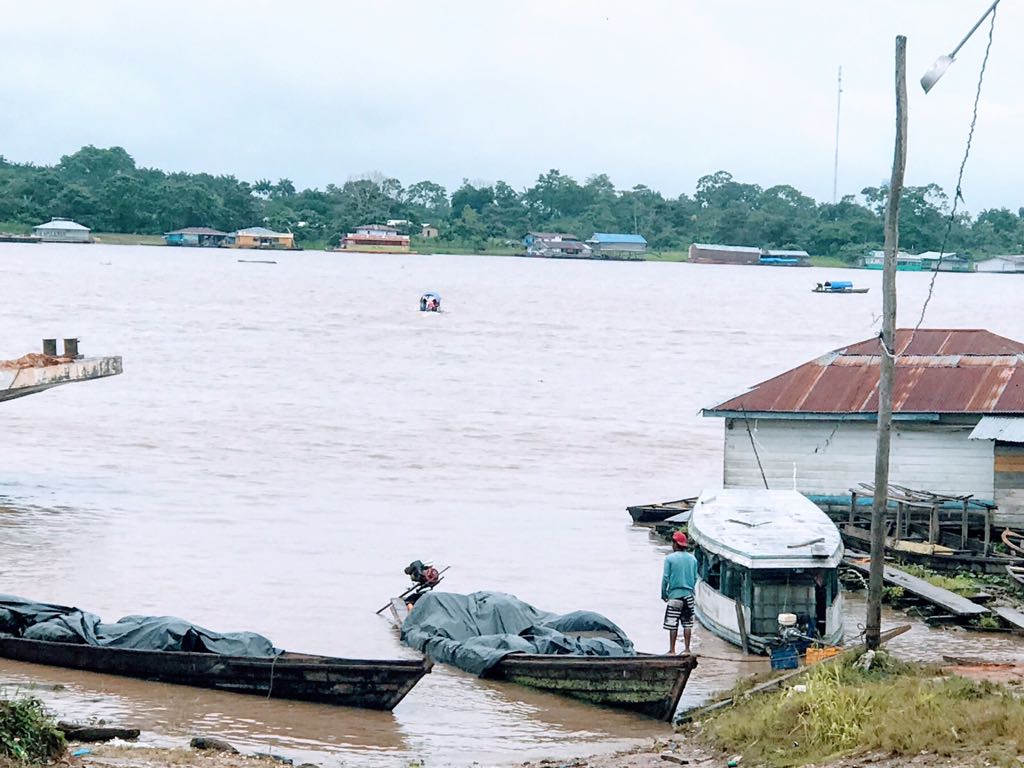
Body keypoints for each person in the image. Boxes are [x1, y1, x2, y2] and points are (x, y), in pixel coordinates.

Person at [662, 530, 699, 655]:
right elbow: (695, 578)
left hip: (675, 596)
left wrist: (664, 593)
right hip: (688, 595)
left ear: (675, 544)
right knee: (687, 624)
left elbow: (666, 578)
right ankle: (687, 649)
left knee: (673, 623)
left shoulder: (669, 559)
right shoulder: (693, 559)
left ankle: (672, 650)